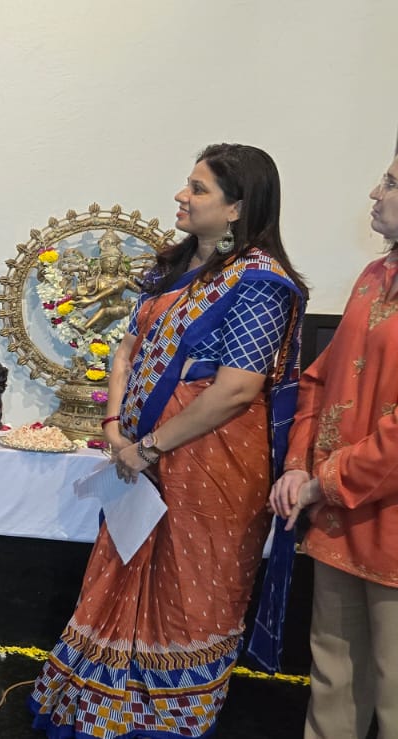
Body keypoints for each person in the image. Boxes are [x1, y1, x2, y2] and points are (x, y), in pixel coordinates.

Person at [31, 143, 309, 737]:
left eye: (198, 188)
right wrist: (114, 427)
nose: (182, 196)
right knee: (122, 565)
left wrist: (151, 446)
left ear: (238, 207)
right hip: (137, 450)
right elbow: (126, 351)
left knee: (190, 588)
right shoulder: (169, 268)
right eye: (188, 183)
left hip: (209, 459)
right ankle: (101, 710)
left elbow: (237, 388)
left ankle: (166, 719)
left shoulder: (260, 283)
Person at [270, 155, 398, 739]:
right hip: (338, 517)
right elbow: (321, 380)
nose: (375, 192)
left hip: (385, 524)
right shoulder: (373, 274)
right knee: (333, 681)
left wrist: (325, 480)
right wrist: (299, 467)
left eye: (391, 183)